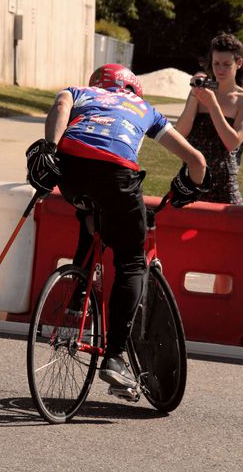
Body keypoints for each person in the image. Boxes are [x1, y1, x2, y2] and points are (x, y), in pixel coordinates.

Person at [26, 63, 210, 392]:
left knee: (90, 216)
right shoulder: (143, 107)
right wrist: (186, 188)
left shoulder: (82, 92)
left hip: (71, 170)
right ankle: (115, 357)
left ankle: (76, 300)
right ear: (132, 88)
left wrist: (50, 148)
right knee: (132, 261)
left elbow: (60, 105)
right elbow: (196, 161)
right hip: (116, 172)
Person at [174, 32, 243, 205]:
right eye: (216, 63)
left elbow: (232, 143)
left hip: (225, 187)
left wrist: (213, 105)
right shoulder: (202, 91)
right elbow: (180, 133)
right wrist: (193, 97)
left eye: (226, 64)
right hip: (192, 181)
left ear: (239, 63)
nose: (220, 70)